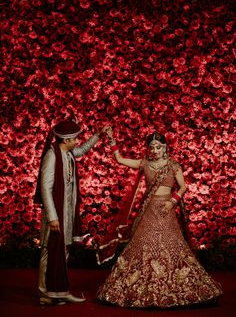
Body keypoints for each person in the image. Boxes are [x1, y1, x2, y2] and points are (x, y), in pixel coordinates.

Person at [97, 129, 222, 308]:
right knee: (142, 244)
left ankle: (178, 286)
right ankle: (137, 289)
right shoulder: (144, 164)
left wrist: (173, 201)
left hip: (166, 208)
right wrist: (111, 140)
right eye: (152, 147)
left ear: (165, 149)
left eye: (158, 147)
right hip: (149, 209)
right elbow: (120, 160)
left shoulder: (173, 166)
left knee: (172, 243)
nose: (154, 151)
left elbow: (183, 187)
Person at [35, 119, 108, 306]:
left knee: (64, 250)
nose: (76, 141)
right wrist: (52, 216)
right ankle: (45, 293)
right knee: (48, 251)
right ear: (66, 140)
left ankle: (59, 291)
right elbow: (45, 187)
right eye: (74, 138)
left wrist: (98, 135)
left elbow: (82, 150)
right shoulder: (52, 156)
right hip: (55, 214)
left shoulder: (67, 154)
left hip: (67, 211)